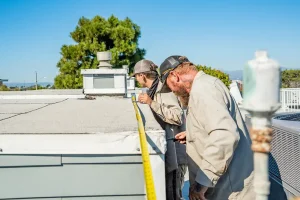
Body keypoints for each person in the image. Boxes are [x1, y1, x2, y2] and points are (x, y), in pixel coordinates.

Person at [159, 56, 255, 200]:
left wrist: (200, 185)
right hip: (224, 185)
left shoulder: (203, 89)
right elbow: (216, 126)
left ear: (174, 76)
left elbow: (224, 136)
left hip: (229, 190)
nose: (172, 91)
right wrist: (193, 135)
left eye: (169, 86)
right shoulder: (204, 85)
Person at [132, 59, 188, 200]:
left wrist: (152, 103)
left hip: (176, 156)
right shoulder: (152, 91)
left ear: (142, 75)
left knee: (173, 196)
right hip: (167, 154)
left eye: (136, 76)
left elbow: (177, 117)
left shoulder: (165, 90)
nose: (137, 80)